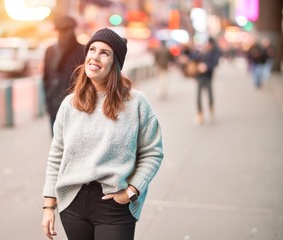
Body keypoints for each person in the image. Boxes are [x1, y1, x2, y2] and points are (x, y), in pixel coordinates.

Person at [41, 28, 164, 240]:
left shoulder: (136, 103)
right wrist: (48, 205)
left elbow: (152, 152)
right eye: (92, 49)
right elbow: (57, 155)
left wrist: (132, 191)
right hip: (73, 203)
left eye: (105, 53)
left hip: (114, 205)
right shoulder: (70, 104)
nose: (95, 56)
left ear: (115, 63)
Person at [43, 15, 85, 136]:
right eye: (61, 30)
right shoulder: (50, 50)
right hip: (54, 106)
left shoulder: (82, 51)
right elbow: (46, 78)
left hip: (76, 108)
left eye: (67, 30)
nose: (64, 34)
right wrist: (48, 101)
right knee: (57, 147)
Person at [194, 37, 221, 125]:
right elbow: (195, 57)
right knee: (198, 95)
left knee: (209, 93)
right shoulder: (203, 51)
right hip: (200, 76)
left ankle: (210, 107)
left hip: (208, 76)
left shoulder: (215, 53)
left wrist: (206, 67)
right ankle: (200, 113)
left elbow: (215, 63)